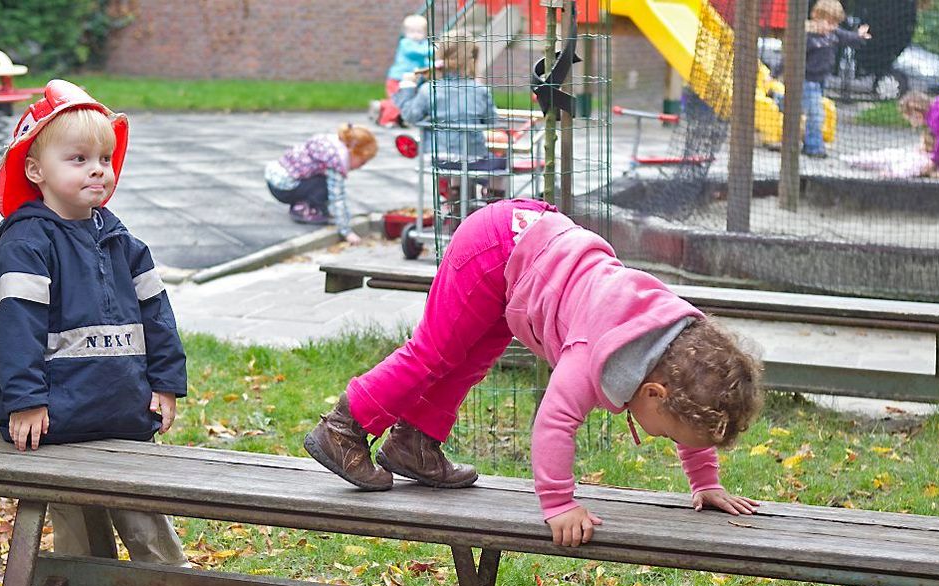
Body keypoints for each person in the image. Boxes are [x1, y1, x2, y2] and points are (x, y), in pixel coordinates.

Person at [304, 198, 764, 547]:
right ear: (654, 392)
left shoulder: (677, 350)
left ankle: (413, 446)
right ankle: (344, 427)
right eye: (669, 434)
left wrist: (706, 483)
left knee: (469, 361)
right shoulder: (592, 354)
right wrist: (559, 504)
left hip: (523, 258)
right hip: (496, 245)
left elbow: (696, 409)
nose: (667, 440)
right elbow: (554, 424)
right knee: (433, 352)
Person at [0, 79, 190, 569]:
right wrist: (25, 401)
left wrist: (166, 383)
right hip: (55, 419)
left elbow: (158, 320)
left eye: (104, 158)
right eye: (78, 159)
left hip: (121, 411)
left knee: (143, 512)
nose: (97, 169)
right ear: (36, 170)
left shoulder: (125, 244)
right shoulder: (25, 247)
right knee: (74, 515)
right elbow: (13, 331)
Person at [394, 32, 506, 209]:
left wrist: (407, 87)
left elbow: (410, 115)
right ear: (473, 59)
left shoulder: (429, 89)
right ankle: (492, 212)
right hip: (471, 155)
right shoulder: (479, 90)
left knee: (457, 168)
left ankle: (456, 214)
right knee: (501, 168)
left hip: (438, 157)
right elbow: (492, 120)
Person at [264, 124, 378, 245]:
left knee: (322, 180)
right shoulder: (336, 159)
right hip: (285, 188)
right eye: (362, 161)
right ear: (352, 152)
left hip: (275, 179)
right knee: (326, 186)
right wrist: (346, 232)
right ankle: (302, 209)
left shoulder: (330, 143)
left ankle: (308, 206)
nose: (361, 167)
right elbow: (337, 197)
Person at [802, 0, 871, 158]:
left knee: (812, 112)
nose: (832, 27)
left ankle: (808, 142)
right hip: (807, 81)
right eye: (829, 22)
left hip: (820, 82)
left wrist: (860, 36)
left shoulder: (833, 34)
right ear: (816, 17)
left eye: (835, 24)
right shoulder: (808, 36)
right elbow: (790, 56)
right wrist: (778, 71)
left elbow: (849, 37)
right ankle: (814, 147)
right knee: (816, 113)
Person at [373, 14, 431, 127]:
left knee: (407, 100)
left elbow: (425, 62)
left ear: (425, 33)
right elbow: (418, 52)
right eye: (411, 32)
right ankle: (386, 120)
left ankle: (382, 106)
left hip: (411, 80)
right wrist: (435, 49)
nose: (415, 35)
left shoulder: (424, 45)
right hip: (398, 78)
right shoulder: (406, 43)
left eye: (419, 32)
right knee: (396, 100)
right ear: (405, 32)